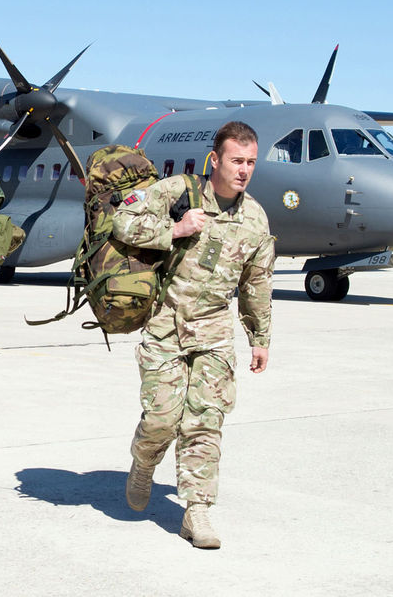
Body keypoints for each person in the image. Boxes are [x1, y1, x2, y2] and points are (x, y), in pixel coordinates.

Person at [112, 120, 275, 549]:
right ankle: (143, 463)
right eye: (237, 161)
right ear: (215, 160)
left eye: (251, 163)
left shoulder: (255, 218)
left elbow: (257, 283)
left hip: (215, 332)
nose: (244, 170)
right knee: (162, 419)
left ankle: (197, 510)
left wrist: (260, 338)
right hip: (167, 326)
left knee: (206, 420)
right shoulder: (177, 192)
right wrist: (175, 230)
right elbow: (121, 223)